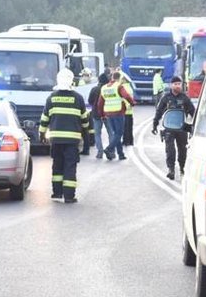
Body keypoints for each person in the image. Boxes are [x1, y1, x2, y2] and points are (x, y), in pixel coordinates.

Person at [40, 69, 89, 203]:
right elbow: (84, 119)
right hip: (72, 140)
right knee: (70, 166)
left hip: (55, 139)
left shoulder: (51, 97)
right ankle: (69, 196)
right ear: (71, 81)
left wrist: (42, 134)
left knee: (57, 165)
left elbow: (45, 118)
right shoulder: (78, 98)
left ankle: (57, 193)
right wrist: (87, 135)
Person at [152, 76, 196, 180]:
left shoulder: (184, 98)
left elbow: (193, 112)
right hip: (169, 128)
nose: (178, 86)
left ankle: (182, 168)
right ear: (171, 85)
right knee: (170, 150)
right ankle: (171, 169)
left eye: (179, 84)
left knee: (182, 150)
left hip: (182, 128)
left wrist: (197, 124)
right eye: (175, 84)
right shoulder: (166, 97)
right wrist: (155, 123)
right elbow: (159, 111)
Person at [97, 70, 135, 161]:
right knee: (119, 133)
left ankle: (120, 154)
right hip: (118, 112)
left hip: (108, 113)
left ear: (112, 78)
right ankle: (109, 148)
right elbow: (126, 96)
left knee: (116, 134)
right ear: (119, 78)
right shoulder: (119, 86)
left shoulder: (104, 87)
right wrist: (132, 102)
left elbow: (100, 103)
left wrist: (102, 115)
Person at [88, 73, 109, 158]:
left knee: (97, 133)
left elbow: (90, 101)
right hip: (107, 113)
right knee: (110, 132)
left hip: (96, 114)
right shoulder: (108, 89)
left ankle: (100, 151)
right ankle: (111, 151)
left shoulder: (94, 89)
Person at [119, 71, 136, 146]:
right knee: (129, 127)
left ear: (123, 80)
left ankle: (126, 141)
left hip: (125, 110)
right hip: (130, 111)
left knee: (125, 128)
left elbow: (124, 99)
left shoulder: (124, 87)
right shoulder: (129, 87)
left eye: (121, 79)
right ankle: (130, 141)